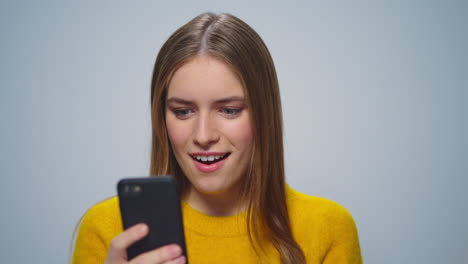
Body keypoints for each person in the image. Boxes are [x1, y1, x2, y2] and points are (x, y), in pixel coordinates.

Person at [72, 12, 362, 264]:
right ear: (162, 117)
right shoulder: (108, 231)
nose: (203, 136)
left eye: (229, 110)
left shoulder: (327, 228)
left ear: (264, 114)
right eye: (183, 111)